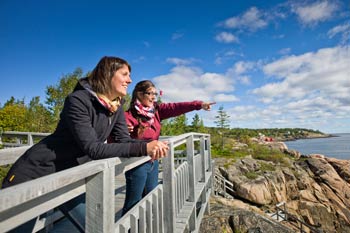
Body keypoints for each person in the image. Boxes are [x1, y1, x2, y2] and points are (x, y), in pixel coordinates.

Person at [1, 56, 169, 232]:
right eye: (125, 74)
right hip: (35, 174)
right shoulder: (78, 100)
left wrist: (151, 145)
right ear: (108, 74)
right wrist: (144, 147)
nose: (130, 80)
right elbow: (93, 148)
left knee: (98, 228)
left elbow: (123, 140)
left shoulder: (116, 107)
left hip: (69, 176)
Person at [121, 80, 215, 214]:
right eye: (150, 93)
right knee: (133, 203)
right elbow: (118, 139)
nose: (154, 97)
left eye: (155, 93)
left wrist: (199, 105)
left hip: (153, 162)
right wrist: (126, 130)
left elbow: (176, 107)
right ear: (139, 94)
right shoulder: (127, 117)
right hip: (137, 165)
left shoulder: (157, 111)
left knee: (150, 198)